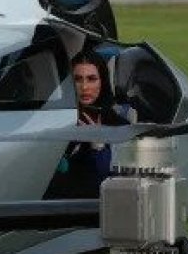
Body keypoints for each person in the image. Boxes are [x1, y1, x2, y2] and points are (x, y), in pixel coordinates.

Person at [45, 51, 128, 199]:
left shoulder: (119, 126)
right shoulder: (56, 119)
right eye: (78, 79)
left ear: (102, 82)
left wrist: (98, 148)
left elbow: (116, 183)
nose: (84, 87)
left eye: (91, 79)